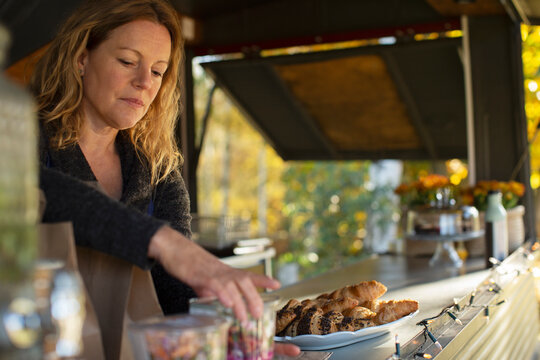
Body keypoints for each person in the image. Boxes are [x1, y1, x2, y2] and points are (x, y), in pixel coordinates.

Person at [31, 0, 300, 357]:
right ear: (81, 59)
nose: (144, 82)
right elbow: (36, 189)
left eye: (158, 71)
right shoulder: (22, 137)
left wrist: (230, 347)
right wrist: (162, 242)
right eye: (127, 61)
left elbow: (175, 295)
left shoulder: (156, 167)